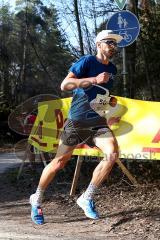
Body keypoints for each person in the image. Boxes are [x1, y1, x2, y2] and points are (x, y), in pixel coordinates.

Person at [29, 30, 123, 225]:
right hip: (77, 122)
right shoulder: (87, 61)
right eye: (109, 42)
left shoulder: (113, 69)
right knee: (59, 162)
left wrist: (109, 103)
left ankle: (86, 197)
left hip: (97, 122)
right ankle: (37, 198)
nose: (113, 46)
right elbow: (65, 84)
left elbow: (100, 96)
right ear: (98, 44)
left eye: (115, 43)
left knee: (112, 154)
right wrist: (94, 80)